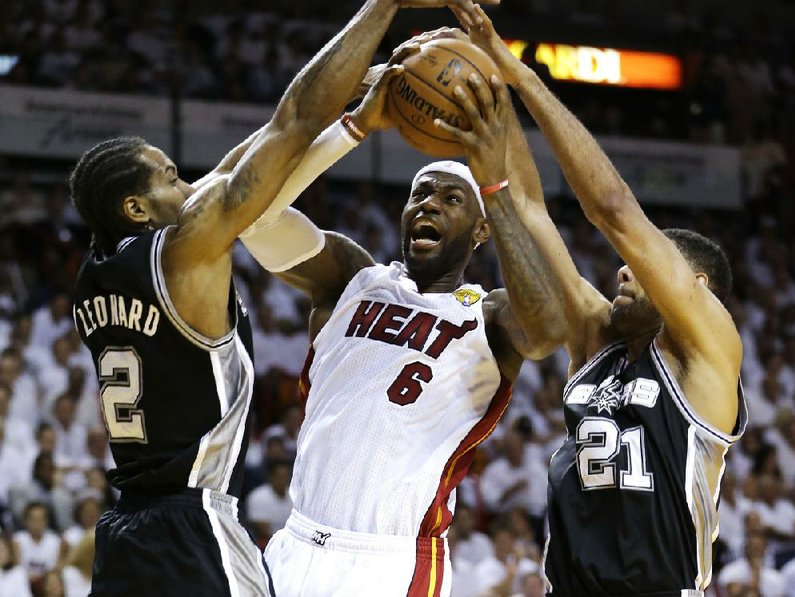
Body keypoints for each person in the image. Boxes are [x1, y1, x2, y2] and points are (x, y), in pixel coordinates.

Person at [69, 1, 486, 595]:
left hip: (125, 531)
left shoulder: (96, 272)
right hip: (194, 527)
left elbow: (235, 174)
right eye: (170, 178)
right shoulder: (185, 250)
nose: (188, 184)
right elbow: (290, 122)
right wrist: (382, 10)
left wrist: (357, 119)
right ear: (136, 209)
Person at [240, 36, 565, 596]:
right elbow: (253, 217)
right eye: (420, 193)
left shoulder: (486, 318)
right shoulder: (350, 275)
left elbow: (549, 327)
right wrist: (353, 128)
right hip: (292, 544)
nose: (429, 204)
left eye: (450, 199)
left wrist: (495, 186)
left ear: (480, 230)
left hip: (389, 562)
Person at [448, 7, 748, 595]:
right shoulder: (595, 338)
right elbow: (531, 211)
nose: (622, 269)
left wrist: (523, 77)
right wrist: (489, 86)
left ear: (696, 290)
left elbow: (612, 208)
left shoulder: (709, 353)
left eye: (647, 265)